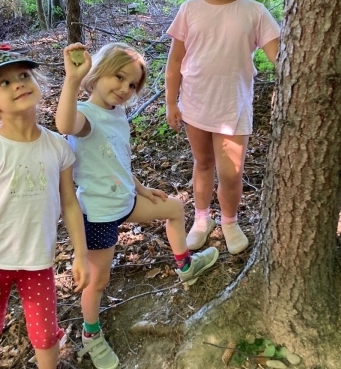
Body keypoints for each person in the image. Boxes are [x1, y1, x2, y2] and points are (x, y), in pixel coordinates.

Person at [56, 42, 219, 369]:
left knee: (174, 209)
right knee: (98, 281)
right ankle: (91, 335)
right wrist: (72, 80)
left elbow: (117, 160)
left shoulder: (117, 114)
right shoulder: (86, 116)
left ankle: (185, 267)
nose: (125, 89)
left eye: (132, 85)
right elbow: (64, 124)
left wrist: (142, 189)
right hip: (99, 215)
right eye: (118, 77)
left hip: (127, 200)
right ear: (98, 72)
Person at [0, 49, 90, 369]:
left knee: (45, 335)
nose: (18, 84)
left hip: (38, 262)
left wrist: (81, 254)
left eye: (24, 76)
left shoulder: (58, 146)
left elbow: (70, 203)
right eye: (4, 83)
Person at [164, 0, 281, 255]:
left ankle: (229, 220)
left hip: (233, 106)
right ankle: (202, 219)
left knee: (231, 173)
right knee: (203, 163)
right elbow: (175, 61)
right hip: (196, 103)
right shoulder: (190, 9)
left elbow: (280, 57)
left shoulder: (255, 12)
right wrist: (171, 102)